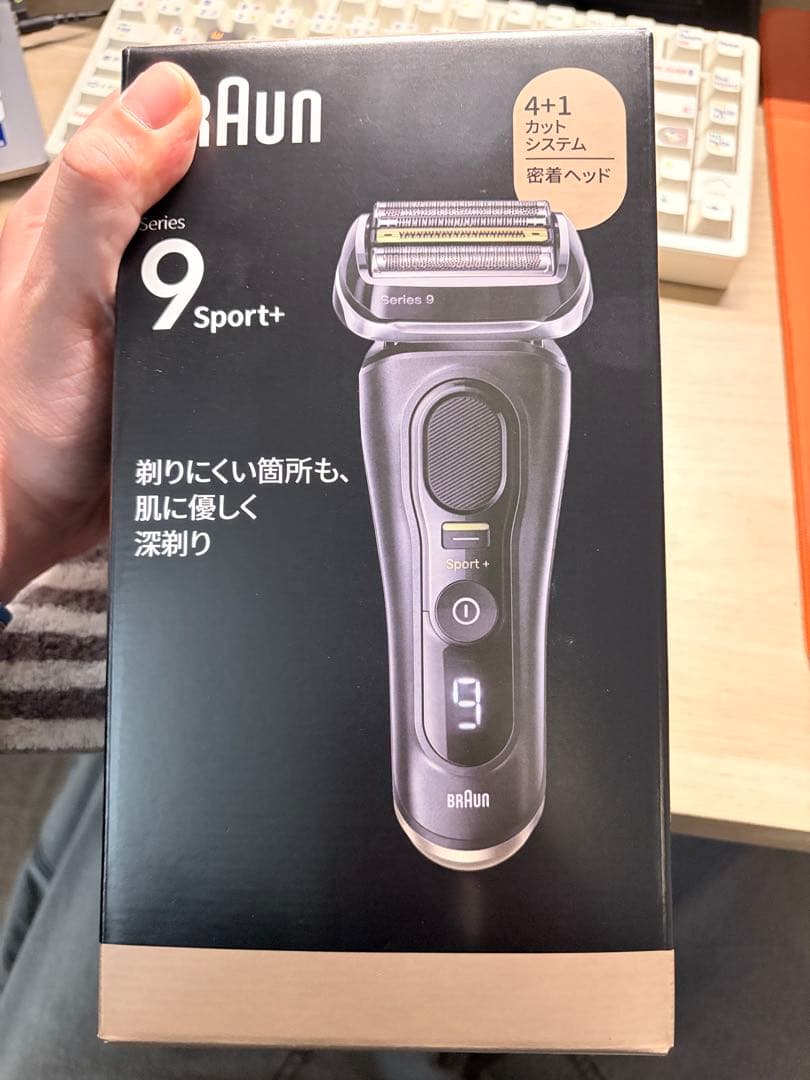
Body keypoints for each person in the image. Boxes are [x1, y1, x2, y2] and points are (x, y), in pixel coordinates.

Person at [0, 61, 808, 1080]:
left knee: (471, 600)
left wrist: (11, 495)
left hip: (483, 387)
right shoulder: (436, 366)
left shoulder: (499, 364)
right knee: (461, 601)